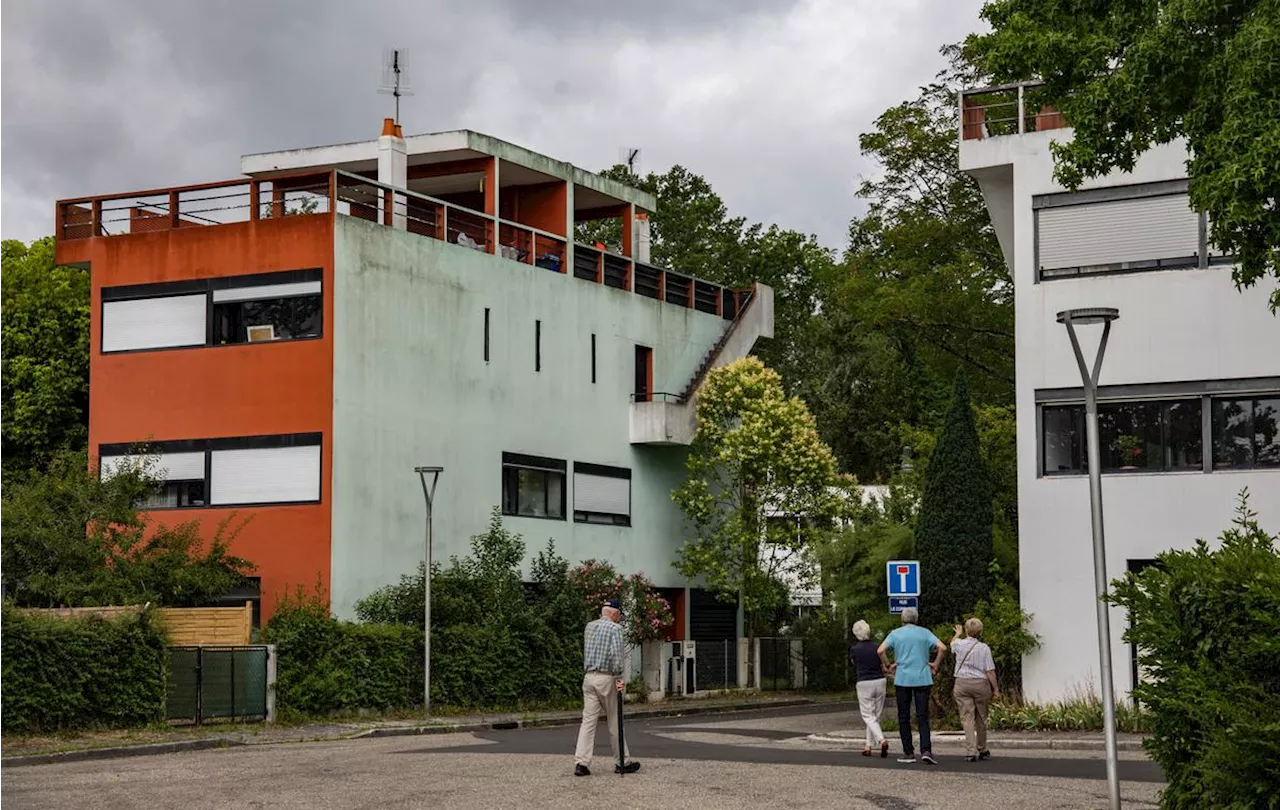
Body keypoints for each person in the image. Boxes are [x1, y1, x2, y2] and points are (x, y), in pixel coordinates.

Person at [573, 600, 640, 776]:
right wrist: (619, 678)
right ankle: (622, 762)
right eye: (619, 615)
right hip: (607, 678)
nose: (619, 618)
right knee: (614, 720)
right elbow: (616, 656)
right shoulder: (615, 629)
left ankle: (581, 763)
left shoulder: (590, 626)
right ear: (614, 613)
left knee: (588, 721)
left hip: (589, 677)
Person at [878, 607, 947, 764]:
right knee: (923, 715)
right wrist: (935, 664)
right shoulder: (925, 633)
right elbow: (942, 647)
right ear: (916, 619)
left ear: (902, 620)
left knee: (904, 716)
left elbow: (880, 650)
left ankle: (908, 752)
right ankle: (926, 750)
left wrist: (888, 665)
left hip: (903, 678)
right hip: (923, 678)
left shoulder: (895, 634)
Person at [951, 617, 999, 762]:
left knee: (967, 718)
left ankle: (970, 751)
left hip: (962, 683)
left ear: (966, 630)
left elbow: (952, 643)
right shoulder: (984, 648)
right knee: (981, 718)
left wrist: (957, 633)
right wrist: (995, 689)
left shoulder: (959, 644)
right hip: (980, 684)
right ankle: (982, 749)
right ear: (980, 632)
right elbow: (990, 671)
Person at [848, 619, 889, 758]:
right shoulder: (878, 647)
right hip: (880, 680)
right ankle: (868, 746)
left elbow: (854, 663)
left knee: (867, 715)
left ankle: (881, 740)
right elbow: (884, 664)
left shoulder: (855, 649)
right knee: (875, 716)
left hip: (864, 682)